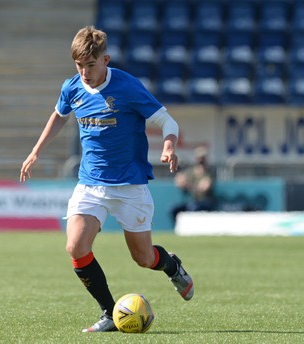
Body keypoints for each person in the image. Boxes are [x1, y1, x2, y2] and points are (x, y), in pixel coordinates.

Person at [20, 26, 194, 333]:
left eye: (90, 65)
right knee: (75, 247)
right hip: (90, 184)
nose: (85, 73)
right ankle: (109, 312)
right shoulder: (72, 88)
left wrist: (168, 144)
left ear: (105, 59)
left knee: (143, 257)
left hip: (130, 185)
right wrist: (36, 151)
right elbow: (59, 115)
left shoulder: (127, 87)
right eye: (79, 66)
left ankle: (171, 265)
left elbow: (167, 120)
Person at [171, 146, 215, 223]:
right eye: (199, 157)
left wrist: (189, 185)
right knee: (174, 209)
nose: (200, 160)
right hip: (191, 200)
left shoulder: (209, 172)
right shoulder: (190, 171)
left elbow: (204, 187)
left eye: (202, 157)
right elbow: (180, 182)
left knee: (194, 207)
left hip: (204, 201)